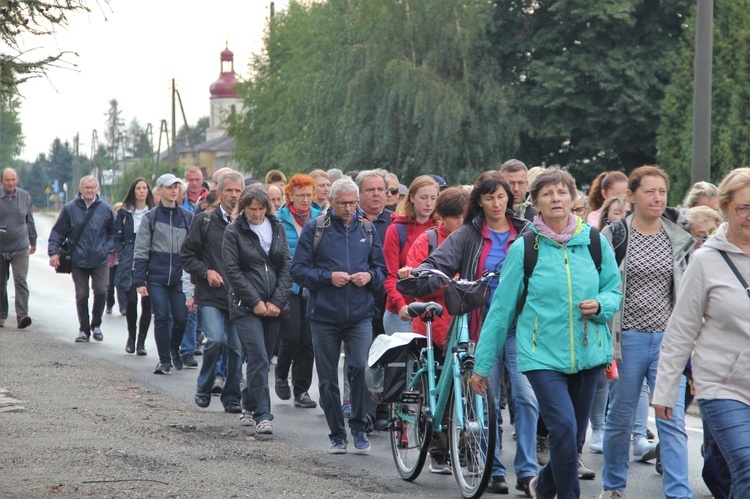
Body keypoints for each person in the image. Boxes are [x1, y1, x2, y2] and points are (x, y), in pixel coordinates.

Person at [470, 167, 622, 499]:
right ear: (535, 201)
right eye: (548, 193)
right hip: (541, 355)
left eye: (562, 192)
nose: (556, 198)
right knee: (564, 428)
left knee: (573, 436)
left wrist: (600, 304)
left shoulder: (595, 241)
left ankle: (544, 484)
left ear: (573, 198)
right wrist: (482, 365)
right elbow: (501, 311)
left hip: (589, 352)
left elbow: (614, 289)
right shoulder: (524, 249)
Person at [407, 171, 532, 494]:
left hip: (518, 327)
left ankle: (528, 470)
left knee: (526, 397)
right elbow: (439, 263)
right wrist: (420, 277)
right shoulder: (468, 234)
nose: (496, 203)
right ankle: (494, 468)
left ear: (510, 198)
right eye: (489, 197)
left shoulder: (526, 233)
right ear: (479, 201)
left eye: (501, 196)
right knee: (484, 398)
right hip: (480, 327)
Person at [653, 168, 750, 498]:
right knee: (748, 466)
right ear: (725, 208)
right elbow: (682, 329)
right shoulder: (707, 260)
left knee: (726, 474)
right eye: (744, 208)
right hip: (723, 385)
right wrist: (666, 388)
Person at [600, 165, 694, 499]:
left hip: (669, 341)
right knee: (621, 419)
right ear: (632, 196)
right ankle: (613, 486)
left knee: (672, 420)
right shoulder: (614, 236)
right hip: (627, 340)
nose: (657, 198)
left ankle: (678, 492)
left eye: (662, 192)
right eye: (649, 191)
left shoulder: (680, 239)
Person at [290, 177, 387, 454]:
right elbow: (297, 271)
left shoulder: (367, 229)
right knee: (328, 378)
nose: (348, 208)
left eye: (352, 203)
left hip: (359, 315)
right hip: (324, 316)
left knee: (359, 368)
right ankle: (337, 434)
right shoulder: (316, 229)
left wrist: (368, 276)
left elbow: (381, 271)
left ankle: (359, 426)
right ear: (330, 202)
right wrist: (327, 277)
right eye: (342, 203)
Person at [399, 186, 469, 474]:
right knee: (436, 390)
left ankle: (464, 447)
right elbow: (415, 281)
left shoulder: (475, 240)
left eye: (465, 217)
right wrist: (448, 281)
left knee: (463, 389)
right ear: (443, 217)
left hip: (464, 325)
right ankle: (438, 451)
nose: (461, 224)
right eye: (455, 218)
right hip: (433, 326)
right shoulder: (427, 240)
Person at [223, 184, 292, 434]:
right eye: (252, 209)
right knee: (259, 357)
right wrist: (256, 302)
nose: (257, 214)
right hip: (245, 306)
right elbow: (232, 270)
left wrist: (276, 301)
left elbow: (286, 266)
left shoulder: (277, 227)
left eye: (262, 208)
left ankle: (248, 404)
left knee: (261, 360)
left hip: (273, 305)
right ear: (244, 208)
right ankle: (264, 415)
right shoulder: (234, 231)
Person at [182, 171, 244, 413]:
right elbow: (187, 256)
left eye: (237, 191)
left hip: (239, 297)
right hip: (211, 295)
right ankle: (204, 384)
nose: (233, 195)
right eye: (229, 190)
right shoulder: (205, 221)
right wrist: (206, 271)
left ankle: (231, 396)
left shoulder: (247, 224)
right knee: (216, 340)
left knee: (236, 348)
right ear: (219, 192)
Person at [133, 173, 194, 375]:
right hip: (157, 277)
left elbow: (194, 250)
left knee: (181, 317)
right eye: (169, 187)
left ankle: (175, 348)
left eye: (176, 186)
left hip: (179, 278)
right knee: (161, 317)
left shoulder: (187, 217)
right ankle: (164, 360)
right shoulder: (150, 218)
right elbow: (141, 250)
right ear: (159, 190)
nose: (174, 190)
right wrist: (140, 280)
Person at [274, 174, 322, 408]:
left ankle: (301, 390)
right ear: (289, 195)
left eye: (308, 195)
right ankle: (281, 374)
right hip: (288, 285)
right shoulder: (278, 220)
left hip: (313, 286)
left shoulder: (320, 219)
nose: (304, 199)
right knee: (291, 337)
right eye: (299, 195)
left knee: (309, 340)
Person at [49, 176, 116, 342]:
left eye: (92, 187)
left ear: (97, 189)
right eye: (86, 187)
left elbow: (115, 234)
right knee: (82, 294)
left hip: (99, 259)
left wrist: (105, 248)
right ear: (80, 188)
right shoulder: (70, 208)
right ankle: (84, 330)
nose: (89, 190)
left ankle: (96, 324)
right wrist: (53, 252)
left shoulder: (106, 209)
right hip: (78, 259)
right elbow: (58, 232)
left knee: (101, 291)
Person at [382, 175, 439, 335]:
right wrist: (400, 305)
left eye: (433, 198)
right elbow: (390, 275)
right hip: (401, 311)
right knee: (402, 359)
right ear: (412, 197)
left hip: (433, 310)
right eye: (423, 197)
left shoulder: (441, 229)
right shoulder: (396, 230)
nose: (428, 203)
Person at [114, 178, 155, 355]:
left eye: (144, 188)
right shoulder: (124, 213)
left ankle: (141, 342)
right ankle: (131, 336)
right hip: (129, 259)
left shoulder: (153, 212)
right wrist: (122, 252)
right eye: (138, 188)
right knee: (131, 301)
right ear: (133, 191)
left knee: (147, 303)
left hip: (150, 260)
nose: (142, 191)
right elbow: (117, 237)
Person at [0, 167, 36, 329]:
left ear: (17, 180)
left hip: (20, 246)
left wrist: (33, 240)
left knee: (20, 280)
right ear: (1, 181)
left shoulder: (24, 196)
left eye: (13, 180)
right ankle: (1, 315)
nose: (10, 183)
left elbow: (30, 219)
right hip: (1, 247)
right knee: (1, 282)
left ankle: (22, 316)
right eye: (7, 180)